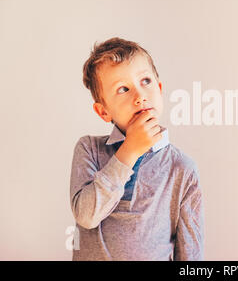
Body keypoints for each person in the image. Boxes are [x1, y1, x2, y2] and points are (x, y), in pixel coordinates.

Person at [69, 37, 204, 260]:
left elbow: (191, 252)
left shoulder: (182, 168)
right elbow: (87, 216)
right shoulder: (89, 150)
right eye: (123, 89)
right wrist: (129, 151)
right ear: (103, 112)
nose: (140, 96)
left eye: (146, 81)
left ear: (160, 90)